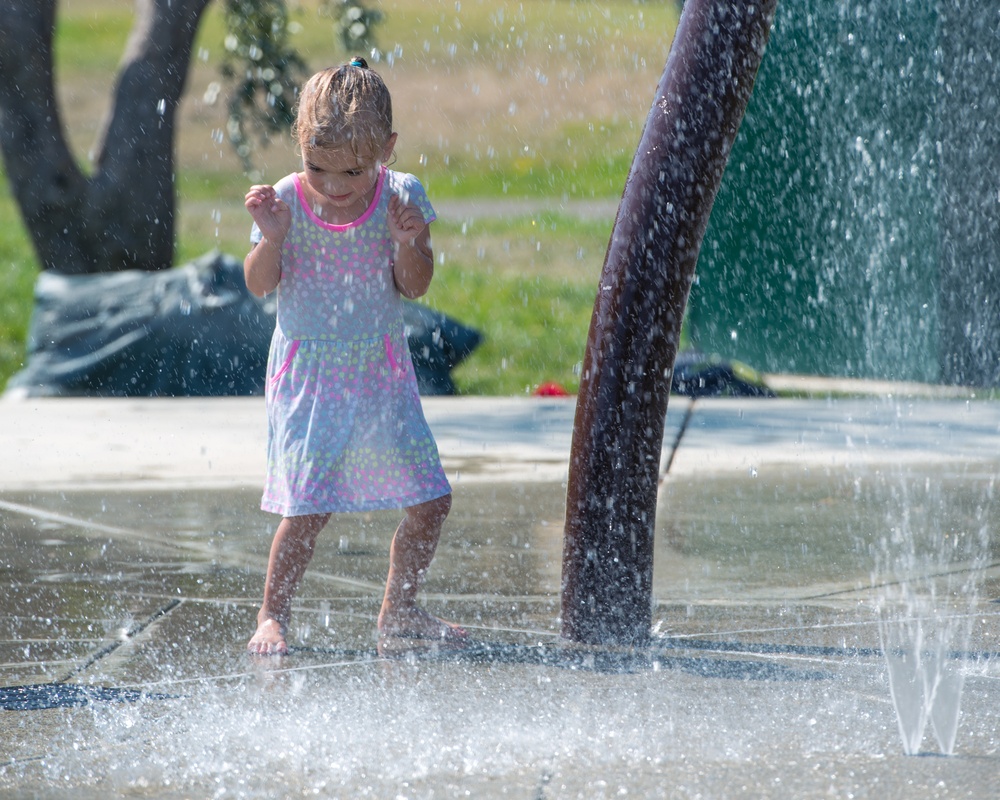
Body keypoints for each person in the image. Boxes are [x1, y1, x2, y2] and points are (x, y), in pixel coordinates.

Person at [242, 57, 466, 656]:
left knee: (431, 500)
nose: (335, 185)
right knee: (307, 509)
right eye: (317, 166)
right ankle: (271, 614)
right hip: (309, 376)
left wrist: (408, 242)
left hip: (380, 370)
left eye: (353, 171)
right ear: (300, 146)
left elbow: (414, 286)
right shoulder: (286, 199)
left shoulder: (401, 196)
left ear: (386, 149)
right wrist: (272, 238)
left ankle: (400, 608)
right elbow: (259, 284)